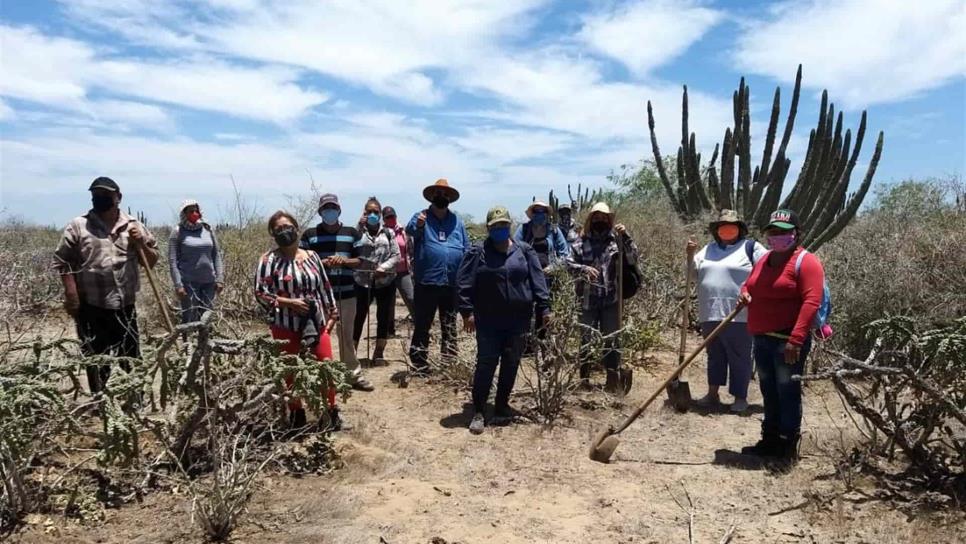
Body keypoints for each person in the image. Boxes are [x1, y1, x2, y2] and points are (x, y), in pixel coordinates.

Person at [53, 177, 159, 395]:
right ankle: (100, 400)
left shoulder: (133, 225)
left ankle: (134, 399)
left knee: (130, 356)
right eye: (96, 195)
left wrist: (140, 243)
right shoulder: (79, 226)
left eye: (106, 195)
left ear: (118, 197)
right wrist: (71, 293)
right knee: (96, 357)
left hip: (125, 306)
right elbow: (62, 261)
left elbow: (152, 260)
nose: (100, 199)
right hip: (91, 305)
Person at [737, 209, 825, 464]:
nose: (777, 237)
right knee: (769, 390)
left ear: (796, 235)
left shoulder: (807, 262)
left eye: (784, 233)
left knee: (787, 391)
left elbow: (811, 301)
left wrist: (796, 340)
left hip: (787, 341)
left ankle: (786, 446)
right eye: (773, 232)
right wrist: (744, 293)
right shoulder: (765, 260)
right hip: (763, 338)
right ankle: (769, 439)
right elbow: (750, 284)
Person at [458, 206, 551, 434]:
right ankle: (479, 411)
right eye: (495, 226)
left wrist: (545, 308)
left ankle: (501, 406)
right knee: (486, 363)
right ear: (489, 228)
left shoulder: (524, 251)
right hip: (488, 320)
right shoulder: (477, 252)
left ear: (510, 226)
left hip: (518, 321)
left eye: (504, 225)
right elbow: (463, 284)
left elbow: (538, 281)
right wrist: (467, 312)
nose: (500, 229)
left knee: (511, 363)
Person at [255, 210, 345, 430]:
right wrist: (289, 303)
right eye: (278, 230)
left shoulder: (312, 256)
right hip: (285, 324)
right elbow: (260, 292)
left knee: (326, 368)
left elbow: (324, 287)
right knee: (290, 372)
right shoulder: (268, 260)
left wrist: (332, 315)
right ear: (272, 234)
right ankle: (297, 415)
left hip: (317, 322)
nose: (284, 232)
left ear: (296, 228)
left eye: (287, 227)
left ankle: (330, 413)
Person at [687, 209, 766, 413]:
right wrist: (689, 255)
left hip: (739, 314)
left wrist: (754, 294)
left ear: (739, 229)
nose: (727, 230)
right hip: (709, 311)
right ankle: (713, 393)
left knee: (739, 356)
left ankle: (740, 397)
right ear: (717, 230)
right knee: (715, 354)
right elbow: (692, 274)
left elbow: (767, 269)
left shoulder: (751, 248)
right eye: (723, 227)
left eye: (732, 226)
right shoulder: (708, 249)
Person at [300, 194, 374, 391]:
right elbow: (301, 261)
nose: (329, 211)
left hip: (347, 293)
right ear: (320, 212)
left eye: (333, 207)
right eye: (326, 208)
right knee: (316, 335)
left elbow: (361, 260)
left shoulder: (352, 233)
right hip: (318, 296)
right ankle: (316, 375)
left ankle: (352, 375)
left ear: (339, 210)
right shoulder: (309, 234)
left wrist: (344, 261)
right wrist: (321, 263)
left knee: (346, 336)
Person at [569, 202, 640, 393]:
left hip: (611, 300)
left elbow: (633, 257)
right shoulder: (580, 243)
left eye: (604, 217)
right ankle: (584, 380)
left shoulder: (616, 241)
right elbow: (567, 263)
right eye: (596, 217)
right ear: (591, 220)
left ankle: (612, 379)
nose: (600, 220)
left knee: (612, 339)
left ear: (609, 220)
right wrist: (583, 269)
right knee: (586, 339)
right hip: (587, 301)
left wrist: (625, 236)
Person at [406, 179, 470, 375]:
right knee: (423, 324)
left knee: (449, 324)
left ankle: (449, 362)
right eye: (438, 194)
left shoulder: (457, 221)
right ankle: (419, 363)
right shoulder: (421, 216)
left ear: (449, 198)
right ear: (432, 196)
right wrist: (418, 225)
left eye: (445, 194)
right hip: (427, 282)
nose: (442, 197)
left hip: (451, 282)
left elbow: (466, 248)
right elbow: (410, 231)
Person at [352, 197, 400, 363]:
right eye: (369, 211)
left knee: (383, 316)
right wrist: (359, 226)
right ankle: (352, 351)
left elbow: (396, 256)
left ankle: (379, 352)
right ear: (364, 212)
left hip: (385, 281)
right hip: (361, 281)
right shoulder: (357, 231)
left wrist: (383, 268)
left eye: (376, 212)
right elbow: (351, 250)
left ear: (380, 214)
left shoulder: (389, 232)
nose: (372, 214)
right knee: (359, 316)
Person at [168, 199, 224, 324]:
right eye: (190, 211)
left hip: (209, 283)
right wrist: (178, 285)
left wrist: (220, 278)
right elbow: (172, 260)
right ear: (184, 213)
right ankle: (188, 342)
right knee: (189, 319)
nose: (194, 213)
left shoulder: (207, 229)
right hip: (189, 285)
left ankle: (204, 343)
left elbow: (216, 254)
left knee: (206, 319)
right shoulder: (178, 232)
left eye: (196, 210)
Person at [382, 206, 414, 337]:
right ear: (383, 219)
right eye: (388, 217)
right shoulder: (381, 232)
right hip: (387, 273)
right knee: (388, 303)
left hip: (403, 271)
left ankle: (420, 327)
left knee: (411, 298)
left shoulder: (403, 231)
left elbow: (411, 249)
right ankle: (389, 330)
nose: (391, 219)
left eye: (392, 216)